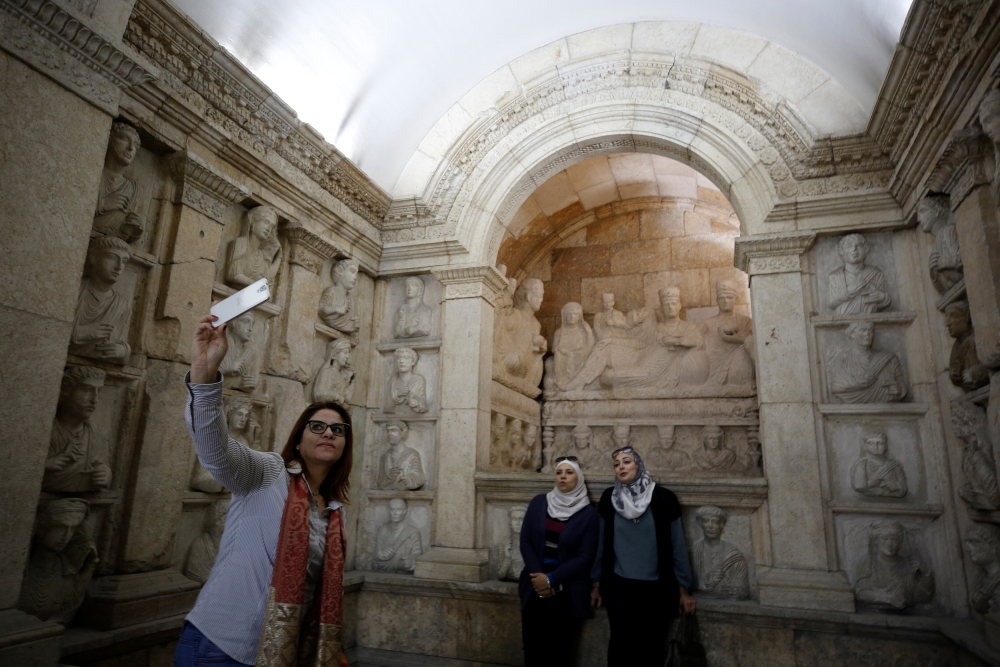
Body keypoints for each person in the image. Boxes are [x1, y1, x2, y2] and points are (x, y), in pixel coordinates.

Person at [176, 310, 353, 667]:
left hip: (279, 655)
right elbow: (216, 451)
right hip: (219, 646)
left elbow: (312, 590)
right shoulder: (269, 473)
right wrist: (204, 372)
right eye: (317, 427)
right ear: (299, 441)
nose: (329, 433)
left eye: (338, 430)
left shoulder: (333, 513)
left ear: (345, 446)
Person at [591, 447, 696, 667]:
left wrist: (683, 589)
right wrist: (597, 582)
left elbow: (677, 545)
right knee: (620, 645)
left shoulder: (663, 498)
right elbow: (602, 545)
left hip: (656, 589)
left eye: (627, 461)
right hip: (619, 587)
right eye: (617, 463)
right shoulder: (610, 499)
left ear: (639, 465)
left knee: (650, 648)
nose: (621, 466)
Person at [519, 458, 599, 667]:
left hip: (567, 590)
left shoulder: (588, 515)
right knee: (532, 647)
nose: (563, 476)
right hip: (534, 584)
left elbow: (584, 556)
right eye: (559, 472)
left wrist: (551, 579)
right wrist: (539, 577)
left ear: (579, 478)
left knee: (559, 650)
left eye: (569, 472)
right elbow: (526, 540)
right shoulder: (538, 502)